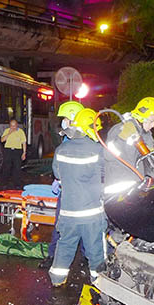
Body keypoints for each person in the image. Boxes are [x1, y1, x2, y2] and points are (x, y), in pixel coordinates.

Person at [48, 108, 106, 287]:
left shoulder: (61, 149)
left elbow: (57, 173)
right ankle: (99, 281)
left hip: (68, 213)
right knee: (95, 250)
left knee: (65, 246)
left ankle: (57, 279)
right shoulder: (98, 150)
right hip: (91, 214)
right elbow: (104, 174)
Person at [41, 101, 84, 269]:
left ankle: (84, 259)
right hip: (69, 190)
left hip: (76, 192)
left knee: (80, 227)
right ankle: (54, 256)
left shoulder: (85, 143)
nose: (63, 121)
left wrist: (60, 178)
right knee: (61, 225)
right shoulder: (67, 138)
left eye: (66, 118)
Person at [103, 96, 154, 197]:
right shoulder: (119, 129)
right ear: (142, 115)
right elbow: (108, 156)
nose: (153, 125)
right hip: (116, 190)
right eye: (152, 121)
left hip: (135, 188)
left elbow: (150, 160)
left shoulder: (146, 134)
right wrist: (122, 138)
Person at [0, 118, 27, 187]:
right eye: (11, 125)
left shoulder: (21, 132)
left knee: (17, 167)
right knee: (6, 167)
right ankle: (5, 183)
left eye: (14, 126)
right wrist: (9, 133)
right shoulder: (7, 131)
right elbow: (2, 140)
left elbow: (24, 143)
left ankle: (17, 183)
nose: (13, 127)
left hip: (17, 151)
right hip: (8, 150)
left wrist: (24, 152)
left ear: (17, 125)